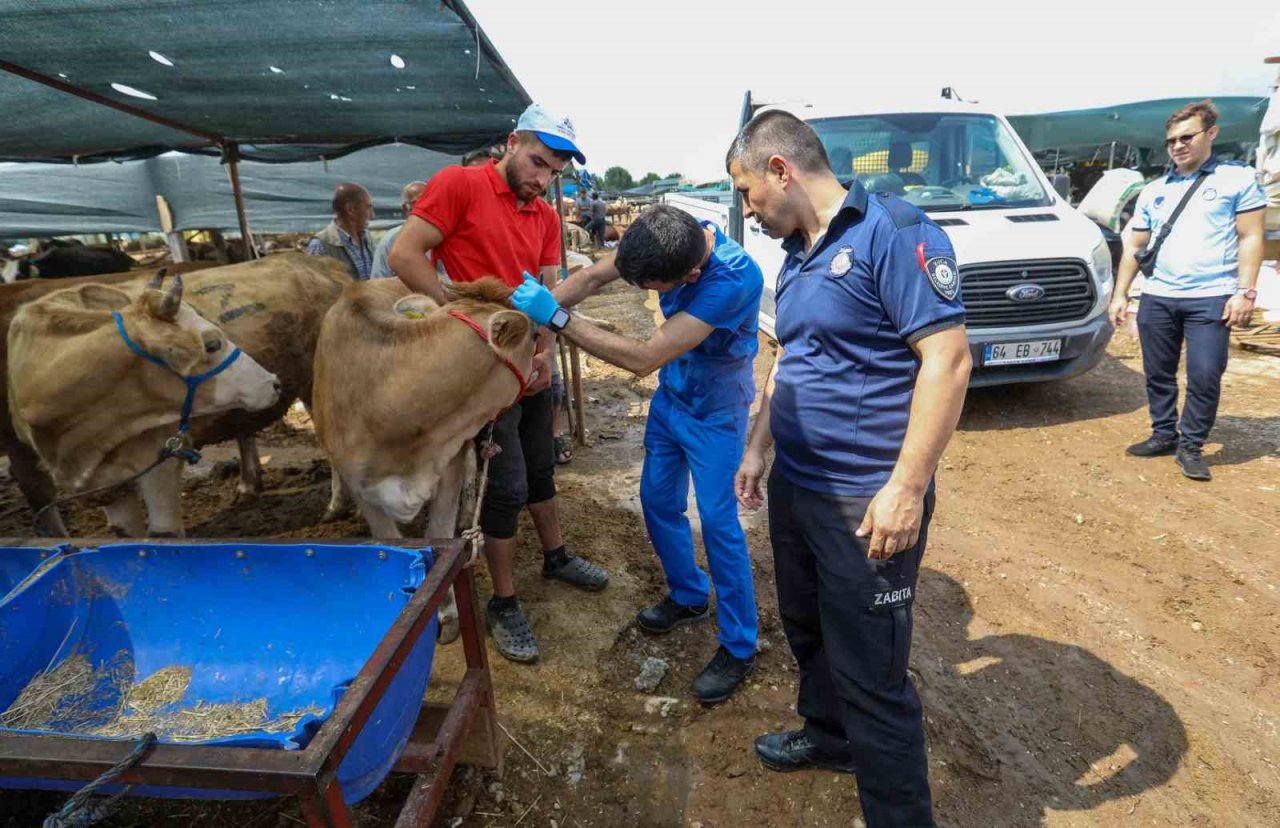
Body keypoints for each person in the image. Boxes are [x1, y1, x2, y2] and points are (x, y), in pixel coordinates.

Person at [727, 110, 971, 827]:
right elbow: (790, 358)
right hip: (799, 487)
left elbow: (948, 361)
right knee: (807, 627)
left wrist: (907, 488)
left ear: (781, 171)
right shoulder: (796, 252)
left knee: (871, 671)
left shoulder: (893, 234)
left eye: (747, 193)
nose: (748, 210)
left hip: (865, 498)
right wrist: (757, 445)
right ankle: (830, 739)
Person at [510, 204, 764, 703]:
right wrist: (528, 314)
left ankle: (739, 645)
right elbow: (588, 281)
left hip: (715, 410)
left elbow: (644, 358)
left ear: (690, 275)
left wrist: (556, 319)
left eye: (655, 289)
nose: (647, 294)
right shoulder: (662, 236)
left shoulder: (733, 279)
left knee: (718, 524)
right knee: (657, 501)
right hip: (674, 398)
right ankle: (689, 595)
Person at [389, 103, 609, 664]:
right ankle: (504, 601)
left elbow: (550, 292)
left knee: (541, 465)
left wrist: (544, 349)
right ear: (511, 143)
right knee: (504, 483)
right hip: (481, 366)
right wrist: (453, 317)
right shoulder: (458, 185)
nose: (541, 179)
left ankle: (555, 555)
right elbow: (404, 254)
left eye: (553, 173)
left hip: (529, 359)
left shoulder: (545, 217)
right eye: (536, 162)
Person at [1109, 99, 1266, 481]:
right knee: (1157, 372)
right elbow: (1135, 246)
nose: (1178, 146)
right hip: (1159, 296)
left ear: (1210, 134)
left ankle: (1191, 445)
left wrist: (1245, 291)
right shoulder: (1154, 190)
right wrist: (1121, 293)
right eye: (1171, 141)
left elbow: (1251, 237)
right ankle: (1164, 433)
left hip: (1211, 296)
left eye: (1187, 137)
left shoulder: (1236, 179)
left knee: (1205, 373)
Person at [306, 182, 376, 280]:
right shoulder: (320, 245)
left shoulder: (366, 237)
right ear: (350, 209)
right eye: (368, 208)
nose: (372, 215)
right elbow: (315, 287)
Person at [371, 181, 427, 279]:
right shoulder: (390, 241)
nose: (425, 207)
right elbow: (378, 282)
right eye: (418, 203)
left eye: (428, 202)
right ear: (405, 208)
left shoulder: (443, 238)